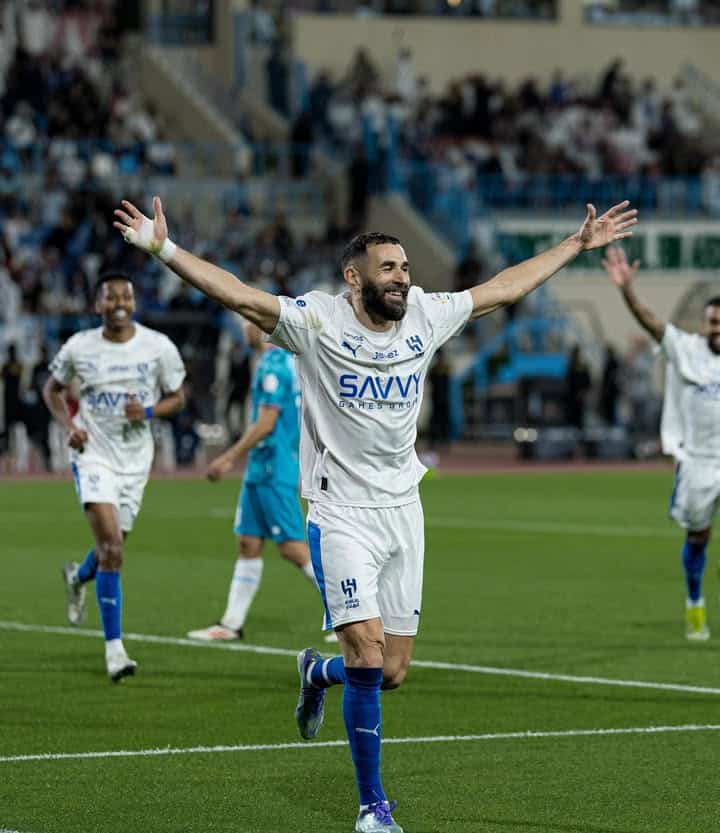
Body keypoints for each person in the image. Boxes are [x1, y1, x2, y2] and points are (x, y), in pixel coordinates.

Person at [114, 195, 636, 832]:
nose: (403, 277)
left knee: (389, 671)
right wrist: (164, 249)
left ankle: (316, 670)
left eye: (406, 266)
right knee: (366, 650)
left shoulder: (426, 314)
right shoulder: (317, 321)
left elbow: (502, 288)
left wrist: (575, 245)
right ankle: (372, 806)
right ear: (354, 276)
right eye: (389, 267)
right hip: (340, 513)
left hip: (403, 510)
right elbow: (241, 295)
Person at [43, 271, 186, 681]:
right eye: (110, 297)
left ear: (135, 302)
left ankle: (77, 576)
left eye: (126, 295)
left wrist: (150, 411)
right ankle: (114, 651)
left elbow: (178, 397)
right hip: (93, 456)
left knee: (113, 548)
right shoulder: (79, 347)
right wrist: (69, 427)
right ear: (98, 304)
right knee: (112, 548)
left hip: (136, 460)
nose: (119, 302)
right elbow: (52, 389)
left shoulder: (158, 347)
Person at [603, 245, 716, 641]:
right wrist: (627, 291)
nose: (717, 329)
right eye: (713, 323)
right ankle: (695, 601)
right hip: (698, 461)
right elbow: (651, 321)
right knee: (698, 535)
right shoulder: (686, 349)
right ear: (705, 324)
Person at [186, 321, 320, 642]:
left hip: (274, 468)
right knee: (248, 543)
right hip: (262, 468)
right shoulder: (284, 362)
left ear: (263, 328)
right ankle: (231, 624)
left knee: (291, 548)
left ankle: (350, 613)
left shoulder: (274, 365)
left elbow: (266, 423)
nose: (243, 328)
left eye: (248, 321)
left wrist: (228, 457)